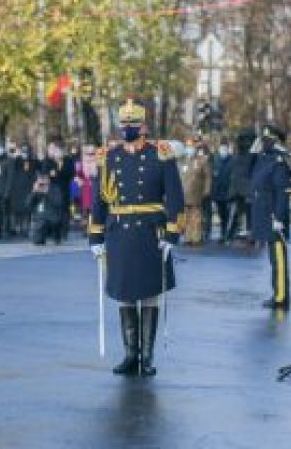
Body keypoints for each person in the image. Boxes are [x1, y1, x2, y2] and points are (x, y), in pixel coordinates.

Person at [88, 100, 184, 377]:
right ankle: (131, 354)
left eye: (132, 124)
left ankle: (147, 357)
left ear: (144, 126)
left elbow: (175, 196)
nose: (127, 128)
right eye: (124, 124)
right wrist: (96, 236)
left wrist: (171, 233)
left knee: (150, 293)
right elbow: (99, 200)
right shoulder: (109, 156)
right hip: (119, 232)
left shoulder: (161, 154)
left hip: (150, 232)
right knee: (125, 293)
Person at [250, 124, 291, 310]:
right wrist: (252, 152)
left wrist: (279, 218)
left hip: (274, 216)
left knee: (278, 259)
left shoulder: (279, 162)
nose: (263, 143)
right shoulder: (262, 159)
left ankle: (281, 296)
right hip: (265, 215)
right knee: (273, 259)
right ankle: (277, 293)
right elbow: (247, 173)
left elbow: (281, 193)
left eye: (267, 140)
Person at [180, 138, 211, 245]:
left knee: (196, 217)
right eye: (187, 147)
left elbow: (208, 177)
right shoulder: (182, 160)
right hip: (184, 192)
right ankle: (188, 238)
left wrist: (207, 190)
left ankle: (196, 238)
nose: (189, 149)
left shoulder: (202, 160)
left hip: (196, 192)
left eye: (191, 147)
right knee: (186, 217)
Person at [28, 173, 64, 245]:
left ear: (48, 180)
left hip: (53, 220)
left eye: (44, 180)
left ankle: (56, 235)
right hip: (40, 220)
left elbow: (58, 203)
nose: (42, 183)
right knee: (37, 241)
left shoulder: (55, 188)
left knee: (56, 237)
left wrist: (47, 193)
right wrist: (34, 192)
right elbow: (28, 204)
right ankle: (40, 236)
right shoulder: (37, 190)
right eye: (40, 180)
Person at [211, 139, 233, 243]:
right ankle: (223, 233)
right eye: (222, 147)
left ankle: (226, 234)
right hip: (218, 193)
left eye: (225, 148)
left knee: (228, 215)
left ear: (228, 148)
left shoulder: (232, 160)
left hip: (228, 192)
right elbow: (213, 176)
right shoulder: (216, 159)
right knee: (221, 214)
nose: (223, 149)